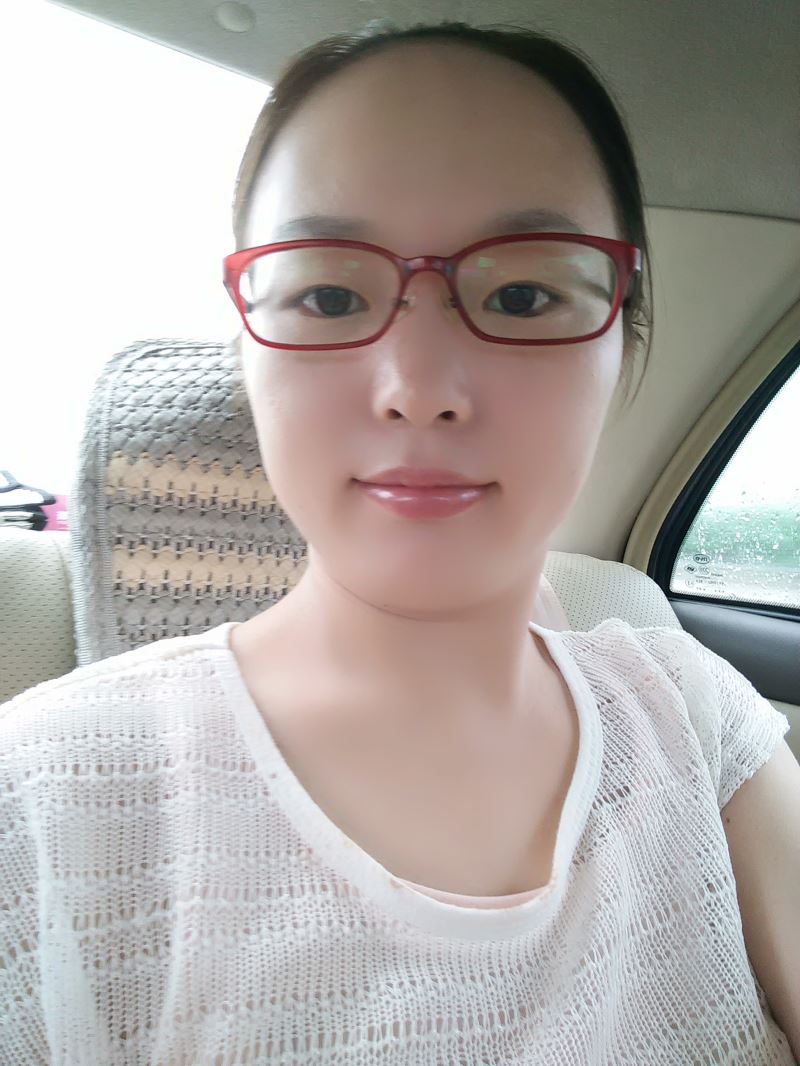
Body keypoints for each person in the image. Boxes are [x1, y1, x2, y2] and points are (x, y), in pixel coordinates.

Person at [0, 20, 795, 1066]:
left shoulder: (692, 714)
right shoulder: (42, 802)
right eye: (329, 295)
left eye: (522, 295)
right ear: (249, 351)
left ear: (621, 337)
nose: (418, 388)